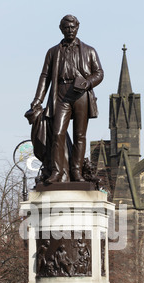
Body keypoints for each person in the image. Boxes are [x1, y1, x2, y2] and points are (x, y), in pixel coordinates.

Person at [30, 14, 104, 184]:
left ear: (77, 27)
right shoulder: (53, 52)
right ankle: (57, 171)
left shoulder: (89, 50)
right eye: (66, 27)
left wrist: (88, 83)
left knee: (80, 135)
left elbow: (99, 73)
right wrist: (38, 99)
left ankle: (76, 172)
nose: (70, 30)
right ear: (61, 29)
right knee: (57, 133)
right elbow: (45, 77)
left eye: (73, 27)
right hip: (61, 93)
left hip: (81, 94)